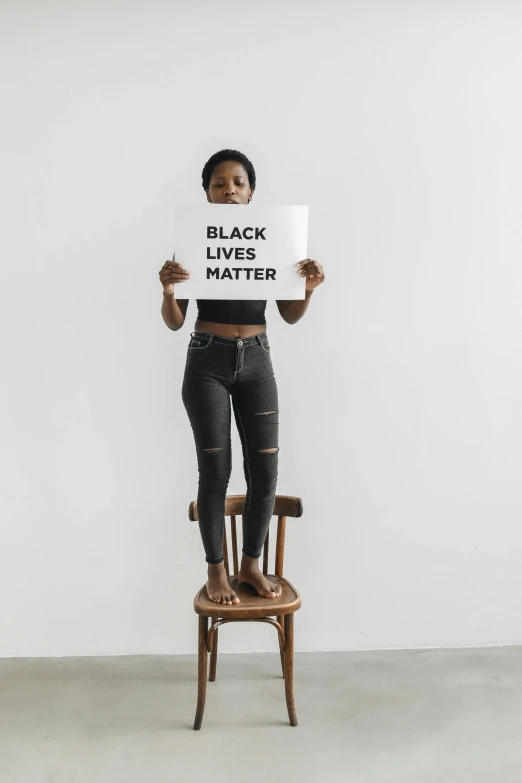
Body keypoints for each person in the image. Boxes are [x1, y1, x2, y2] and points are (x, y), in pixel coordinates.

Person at [158, 149, 325, 605]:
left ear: (252, 192)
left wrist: (306, 290)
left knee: (265, 470)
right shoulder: (193, 244)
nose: (229, 190)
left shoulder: (273, 243)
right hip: (206, 360)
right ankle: (217, 571)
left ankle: (250, 564)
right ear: (207, 193)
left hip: (257, 359)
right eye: (218, 183)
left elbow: (289, 316)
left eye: (238, 183)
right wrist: (169, 289)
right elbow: (175, 321)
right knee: (216, 471)